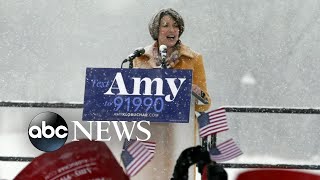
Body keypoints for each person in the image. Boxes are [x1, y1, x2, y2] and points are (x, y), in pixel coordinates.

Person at [134, 8, 211, 112]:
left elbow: (205, 104)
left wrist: (198, 94)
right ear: (156, 30)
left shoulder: (194, 59)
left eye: (175, 26)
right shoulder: (140, 58)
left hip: (181, 126)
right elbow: (133, 99)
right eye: (166, 25)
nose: (172, 30)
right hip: (150, 125)